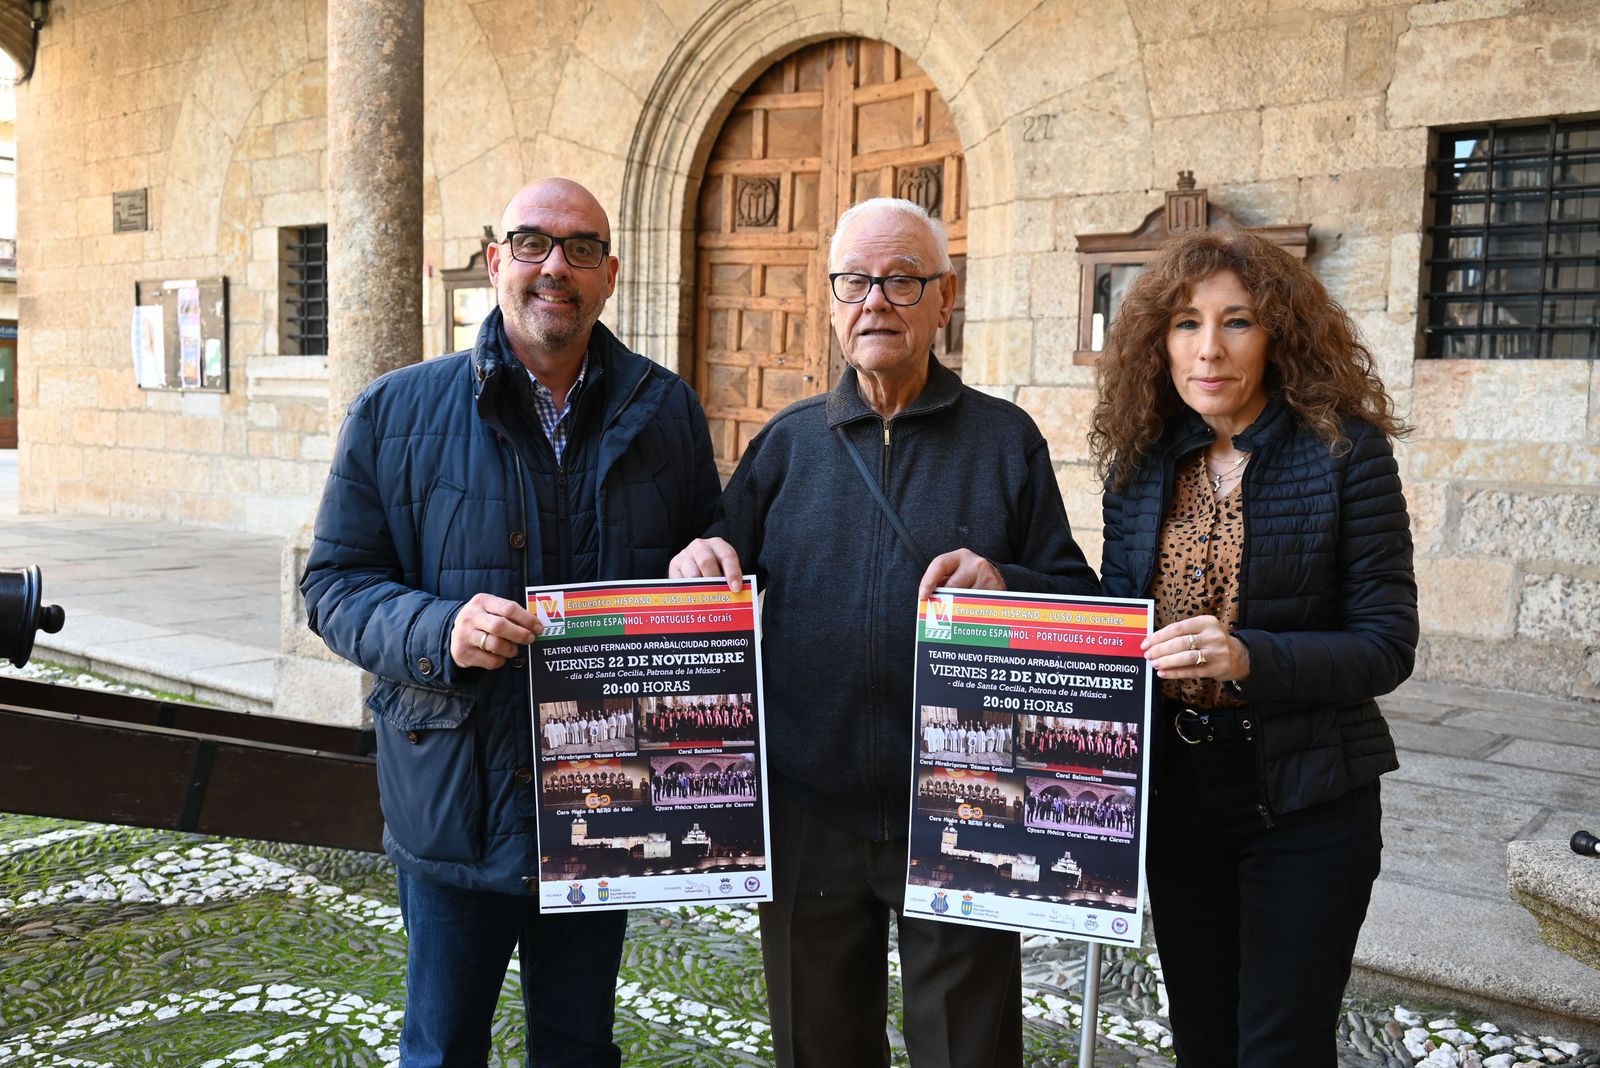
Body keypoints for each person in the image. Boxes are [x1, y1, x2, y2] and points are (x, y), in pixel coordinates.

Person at [300, 177, 720, 1067]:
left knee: (577, 1046)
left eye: (579, 249)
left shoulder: (667, 409)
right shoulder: (395, 412)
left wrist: (707, 561)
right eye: (531, 244)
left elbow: (706, 554)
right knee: (443, 1046)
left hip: (603, 797)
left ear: (610, 274)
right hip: (457, 798)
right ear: (496, 263)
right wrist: (439, 630)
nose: (553, 268)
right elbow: (334, 587)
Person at [671, 196, 1099, 1067]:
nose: (877, 301)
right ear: (831, 302)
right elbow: (720, 565)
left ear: (946, 297)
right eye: (856, 281)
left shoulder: (1005, 441)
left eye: (902, 280)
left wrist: (1004, 582)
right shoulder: (787, 445)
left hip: (962, 803)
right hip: (808, 805)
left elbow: (1076, 600)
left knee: (967, 1048)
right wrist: (699, 559)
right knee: (818, 1044)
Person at [1089, 227, 1417, 1066]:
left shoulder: (1345, 454)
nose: (1209, 349)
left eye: (1237, 322)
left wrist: (1250, 657)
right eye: (1186, 324)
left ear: (1278, 334)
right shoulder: (1141, 463)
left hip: (1307, 798)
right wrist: (1002, 580)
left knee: (1280, 1046)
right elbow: (1110, 616)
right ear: (1156, 341)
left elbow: (1386, 645)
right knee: (1203, 1036)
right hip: (1179, 796)